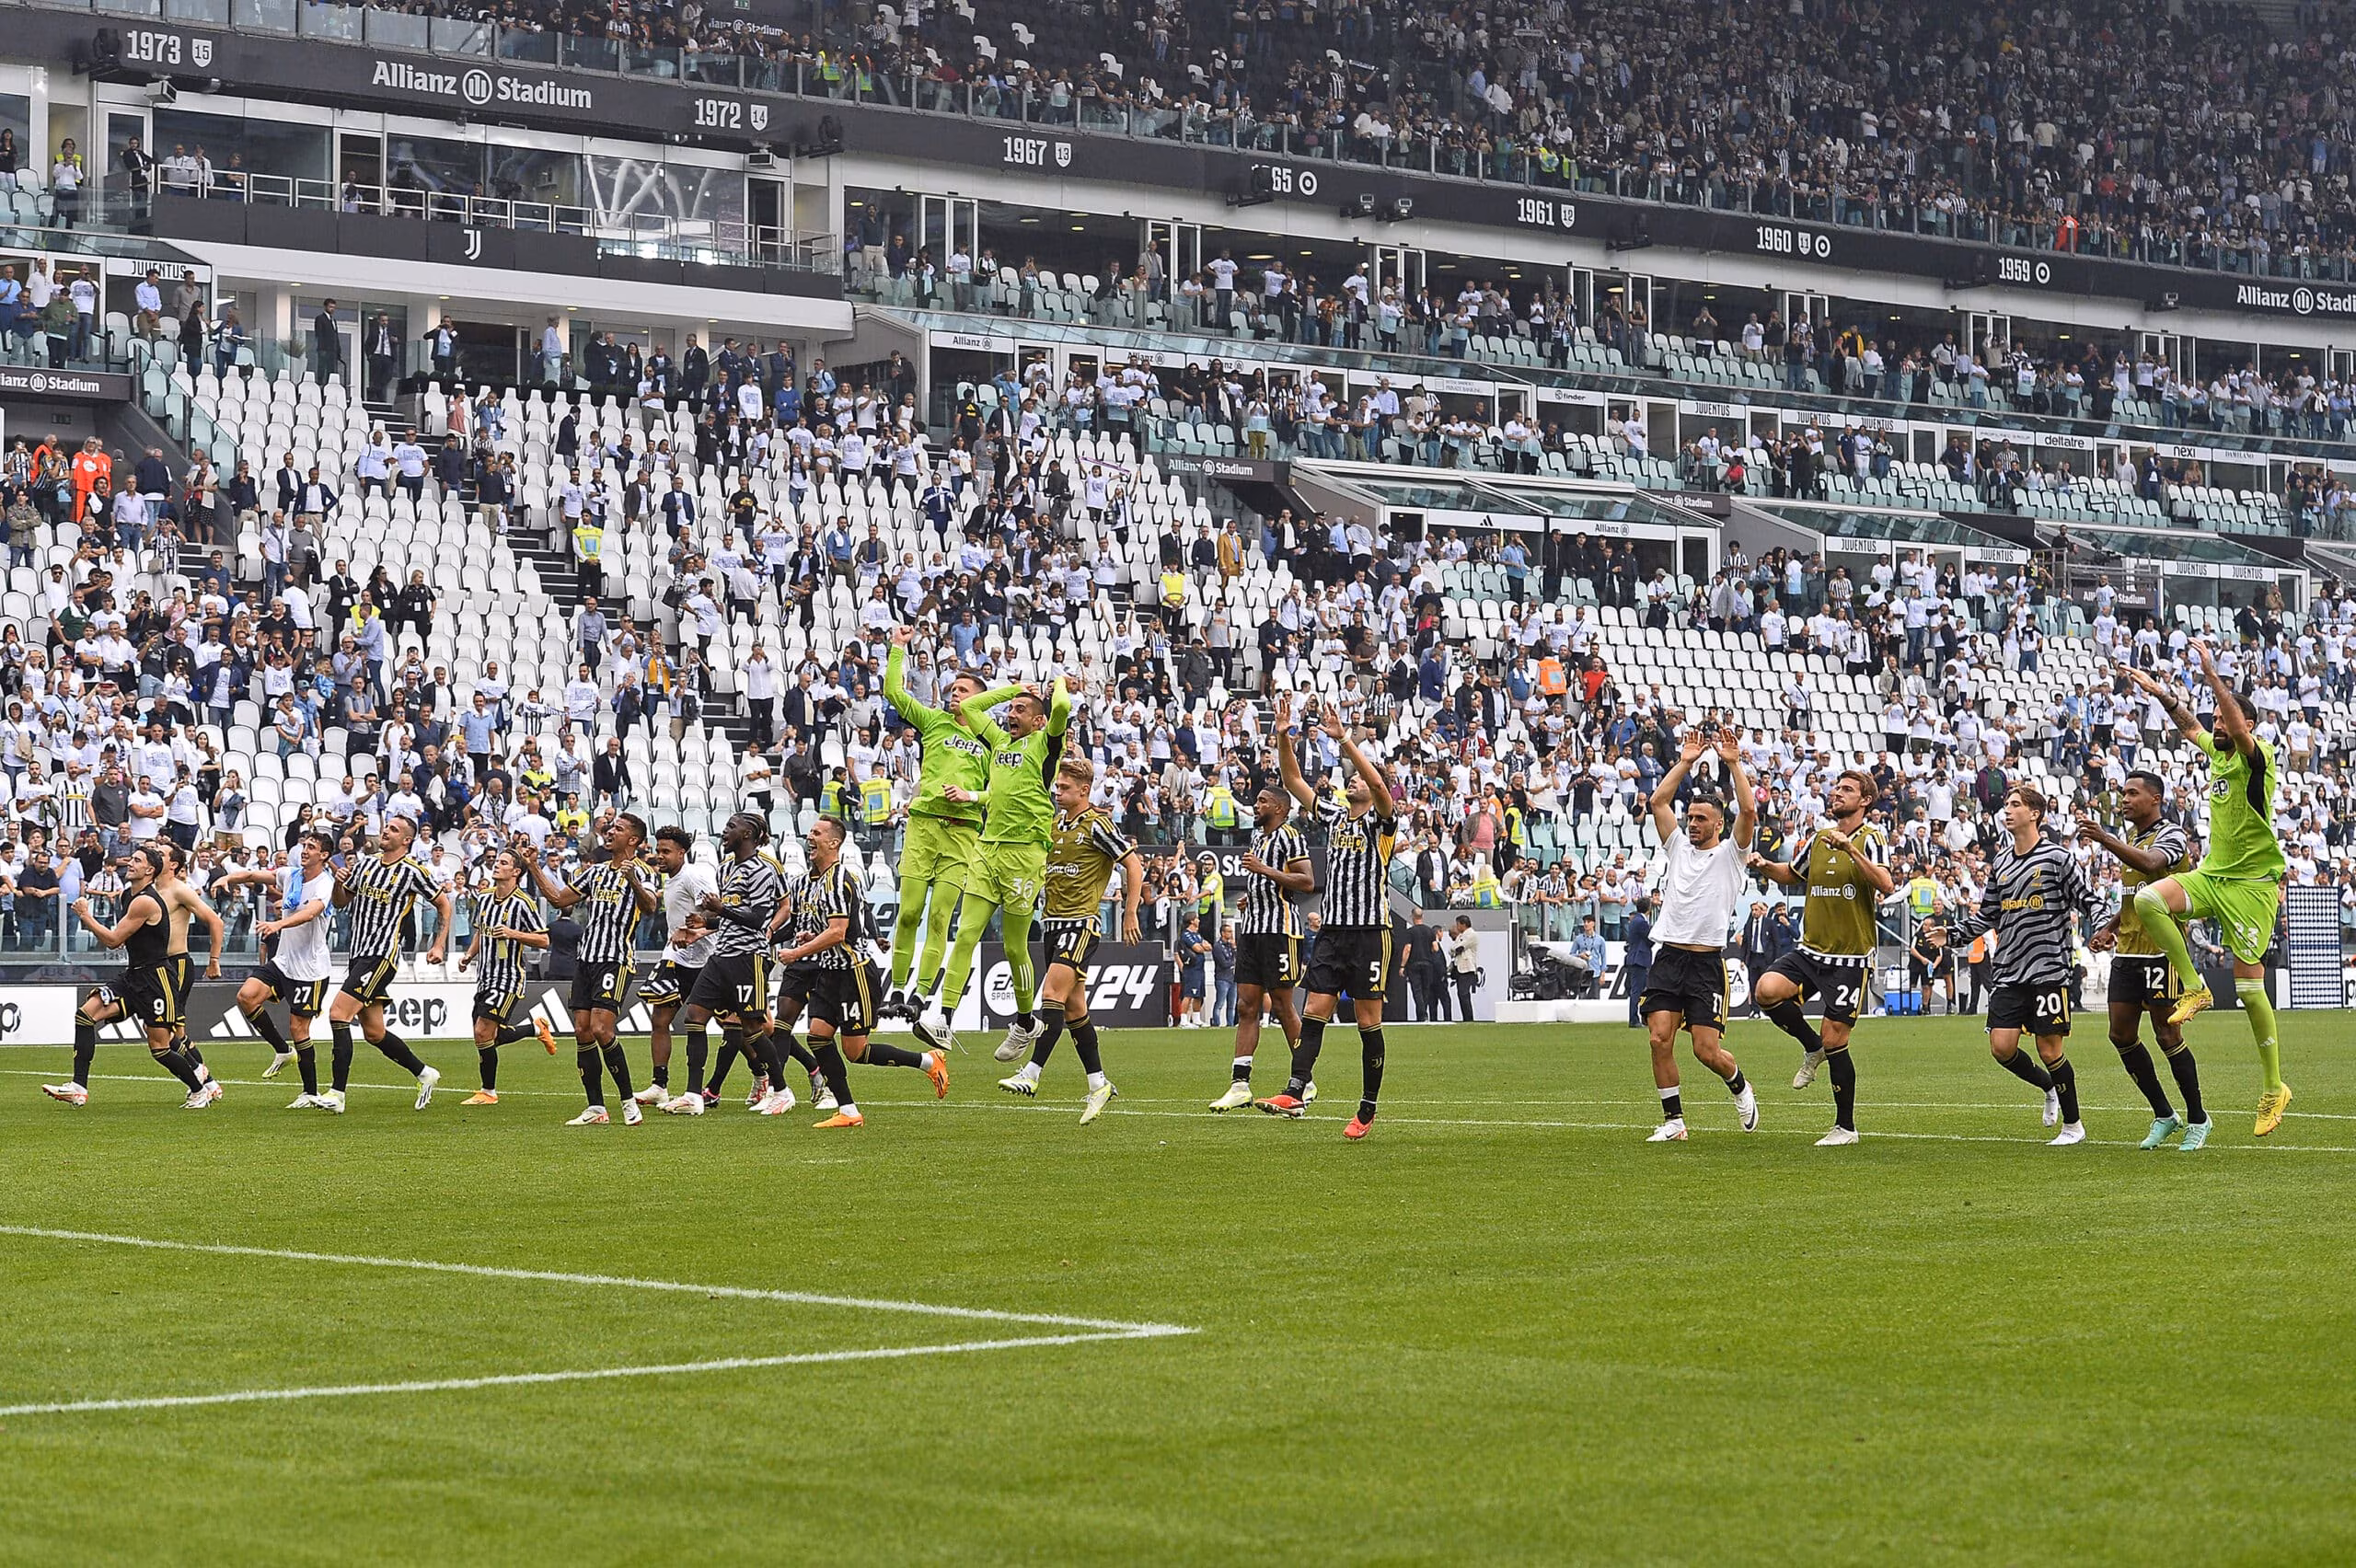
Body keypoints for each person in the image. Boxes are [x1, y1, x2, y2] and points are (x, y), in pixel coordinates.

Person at [2118, 646, 2292, 1135]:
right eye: (2214, 716)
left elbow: (2235, 728)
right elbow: (2189, 724)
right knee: (2152, 900)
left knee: (2250, 990)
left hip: (2252, 885)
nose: (2216, 724)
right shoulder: (2217, 751)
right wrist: (2162, 695)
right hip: (2215, 875)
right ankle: (2194, 985)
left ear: (2248, 724)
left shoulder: (2260, 760)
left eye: (2225, 716)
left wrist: (2213, 675)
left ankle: (2274, 1086)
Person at [1257, 695, 1398, 1140]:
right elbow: (1293, 779)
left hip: (1371, 932)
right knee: (1314, 1008)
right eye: (1351, 777)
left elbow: (1380, 788)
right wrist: (1283, 736)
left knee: (1366, 1020)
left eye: (1356, 778)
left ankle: (1367, 1108)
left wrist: (1346, 741)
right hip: (1334, 932)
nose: (1352, 781)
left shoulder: (1381, 823)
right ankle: (1296, 1089)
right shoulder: (1335, 816)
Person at [922, 676, 1071, 1061]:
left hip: (1025, 854)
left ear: (1038, 721)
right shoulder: (999, 743)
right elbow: (972, 708)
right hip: (987, 849)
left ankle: (1025, 1022)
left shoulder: (1046, 745)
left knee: (1013, 946)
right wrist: (1013, 690)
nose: (1011, 713)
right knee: (967, 931)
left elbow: (1062, 709)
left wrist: (1053, 685)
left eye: (1020, 710)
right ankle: (945, 1019)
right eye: (1010, 709)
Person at [1745, 767, 1892, 1144]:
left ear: (1865, 801)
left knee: (1836, 1038)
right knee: (1766, 990)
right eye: (1836, 788)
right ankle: (1811, 1047)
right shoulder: (1819, 839)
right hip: (1811, 949)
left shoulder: (1873, 838)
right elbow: (1792, 874)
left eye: (1847, 790)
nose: (1837, 793)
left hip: (1850, 957)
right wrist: (1765, 866)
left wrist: (1851, 850)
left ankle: (1846, 1127)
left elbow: (1885, 884)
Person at [1947, 784, 2095, 1146]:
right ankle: (2049, 1088)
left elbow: (2087, 900)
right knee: (2002, 1048)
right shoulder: (2001, 862)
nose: (2007, 810)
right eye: (2007, 804)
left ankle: (2073, 1125)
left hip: (2049, 969)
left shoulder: (2058, 858)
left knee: (2049, 1049)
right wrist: (1951, 935)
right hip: (2009, 968)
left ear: (2035, 814)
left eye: (2015, 805)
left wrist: (2105, 927)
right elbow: (1989, 915)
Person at [999, 755, 1142, 1123]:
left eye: (1064, 788)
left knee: (1051, 996)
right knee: (1075, 1009)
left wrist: (1129, 911)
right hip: (1051, 924)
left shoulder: (1097, 825)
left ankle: (1031, 1074)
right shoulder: (1055, 825)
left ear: (1084, 790)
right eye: (1057, 786)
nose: (1057, 792)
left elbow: (1133, 864)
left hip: (1079, 924)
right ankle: (1098, 1084)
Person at [784, 816, 950, 1129]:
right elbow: (832, 930)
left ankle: (929, 1061)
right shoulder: (814, 882)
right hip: (829, 973)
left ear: (833, 843)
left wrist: (797, 952)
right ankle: (848, 1111)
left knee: (855, 1052)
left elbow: (838, 932)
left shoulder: (839, 879)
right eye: (810, 832)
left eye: (817, 833)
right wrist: (809, 938)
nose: (810, 837)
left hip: (854, 974)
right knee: (818, 1038)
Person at [1637, 727, 1759, 1142]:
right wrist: (1686, 761)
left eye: (1701, 818)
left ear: (1718, 824)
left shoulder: (1732, 854)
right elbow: (1657, 801)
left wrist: (1733, 763)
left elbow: (1749, 813)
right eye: (1690, 817)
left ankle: (1739, 1084)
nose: (1692, 823)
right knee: (1658, 1039)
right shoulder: (1676, 847)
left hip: (1707, 963)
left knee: (1706, 1052)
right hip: (1669, 957)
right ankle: (1674, 1121)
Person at [2078, 772, 2212, 1150]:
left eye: (2133, 793)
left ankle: (2199, 1119)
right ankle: (2164, 1115)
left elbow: (2153, 864)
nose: (2125, 799)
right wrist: (2109, 928)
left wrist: (2106, 839)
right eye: (2123, 793)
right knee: (2120, 1034)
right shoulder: (2132, 840)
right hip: (2129, 951)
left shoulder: (2169, 835)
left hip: (2162, 953)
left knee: (2167, 1034)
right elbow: (2136, 896)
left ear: (2155, 798)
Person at [44, 846, 216, 1107]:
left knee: (160, 1047)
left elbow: (114, 940)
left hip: (156, 980)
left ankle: (199, 1088)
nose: (130, 863)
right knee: (86, 1014)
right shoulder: (128, 895)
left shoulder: (146, 901)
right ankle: (78, 1087)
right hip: (133, 976)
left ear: (150, 870)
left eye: (137, 860)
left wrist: (85, 916)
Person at [880, 627, 991, 1020]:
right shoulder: (935, 723)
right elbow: (894, 693)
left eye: (963, 690)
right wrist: (897, 648)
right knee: (909, 913)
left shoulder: (993, 741)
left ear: (981, 699)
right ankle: (895, 988)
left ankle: (921, 994)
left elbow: (1005, 791)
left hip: (962, 834)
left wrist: (972, 797)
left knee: (940, 916)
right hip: (924, 826)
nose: (954, 693)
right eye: (954, 688)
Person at [518, 814, 658, 1127]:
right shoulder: (594, 873)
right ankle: (596, 1107)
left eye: (619, 829)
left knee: (601, 1029)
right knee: (582, 1030)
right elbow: (557, 898)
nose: (610, 832)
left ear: (633, 840)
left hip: (615, 959)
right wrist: (534, 866)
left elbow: (649, 907)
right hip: (587, 959)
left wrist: (632, 879)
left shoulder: (645, 872)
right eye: (611, 828)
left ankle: (626, 1101)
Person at [323, 814, 449, 1114]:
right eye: (386, 827)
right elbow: (341, 901)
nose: (386, 831)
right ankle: (424, 1073)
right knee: (375, 1032)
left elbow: (444, 903)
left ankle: (337, 1093)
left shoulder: (412, 871)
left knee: (338, 1013)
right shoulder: (366, 864)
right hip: (358, 955)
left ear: (407, 840)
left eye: (393, 829)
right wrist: (338, 884)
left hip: (381, 956)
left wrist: (439, 943)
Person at [680, 812, 797, 1115]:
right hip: (721, 956)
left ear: (748, 834)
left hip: (749, 958)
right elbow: (729, 917)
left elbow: (757, 919)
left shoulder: (762, 871)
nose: (725, 831)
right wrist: (704, 921)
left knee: (751, 1029)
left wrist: (719, 909)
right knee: (694, 1016)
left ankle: (782, 1090)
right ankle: (693, 1095)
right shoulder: (725, 868)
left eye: (732, 827)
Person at [1213, 785, 1315, 1110]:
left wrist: (1264, 871)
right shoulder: (1258, 839)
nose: (1256, 806)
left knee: (1283, 1006)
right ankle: (1240, 1083)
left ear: (1280, 809)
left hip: (1280, 932)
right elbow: (1268, 882)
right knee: (1246, 1006)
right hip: (1253, 929)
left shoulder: (1290, 835)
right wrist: (1252, 896)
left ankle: (1305, 1080)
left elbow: (1306, 881)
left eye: (1262, 801)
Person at [217, 834, 339, 1104]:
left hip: (310, 969)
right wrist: (228, 878)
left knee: (299, 1029)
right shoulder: (291, 874)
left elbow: (312, 912)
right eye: (304, 845)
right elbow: (253, 874)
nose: (305, 850)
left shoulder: (325, 884)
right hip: (284, 961)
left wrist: (277, 925)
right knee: (246, 996)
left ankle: (310, 1092)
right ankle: (282, 1051)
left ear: (324, 856)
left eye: (312, 848)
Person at [456, 849, 555, 1105]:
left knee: (482, 1032)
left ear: (516, 872)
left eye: (503, 863)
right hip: (485, 978)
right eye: (496, 861)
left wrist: (513, 933)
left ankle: (488, 1092)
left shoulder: (523, 903)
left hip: (508, 979)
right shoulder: (485, 899)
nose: (496, 866)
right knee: (490, 1036)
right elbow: (481, 932)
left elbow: (544, 939)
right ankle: (536, 1028)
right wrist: (468, 955)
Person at [637, 824, 719, 1112]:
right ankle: (660, 1085)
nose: (660, 856)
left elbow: (714, 910)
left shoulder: (693, 876)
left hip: (707, 960)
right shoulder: (669, 879)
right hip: (676, 959)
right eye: (658, 850)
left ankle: (767, 1078)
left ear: (682, 853)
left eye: (666, 852)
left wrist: (691, 931)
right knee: (660, 1018)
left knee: (737, 1026)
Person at [1622, 896, 1654, 1029]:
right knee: (1637, 990)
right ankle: (1634, 1019)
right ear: (1649, 908)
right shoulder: (1641, 922)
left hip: (1636, 958)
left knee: (1637, 989)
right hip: (1639, 959)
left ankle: (1637, 1018)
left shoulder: (1637, 920)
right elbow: (1650, 938)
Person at [1447, 916, 1481, 1020]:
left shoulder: (1472, 935)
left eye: (1458, 924)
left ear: (1463, 924)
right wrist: (1455, 949)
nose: (1457, 927)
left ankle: (1469, 1018)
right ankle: (1466, 1017)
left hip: (1467, 969)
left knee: (1464, 994)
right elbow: (1451, 950)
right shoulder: (1461, 936)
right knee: (1461, 994)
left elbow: (1459, 947)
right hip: (1459, 968)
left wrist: (1455, 949)